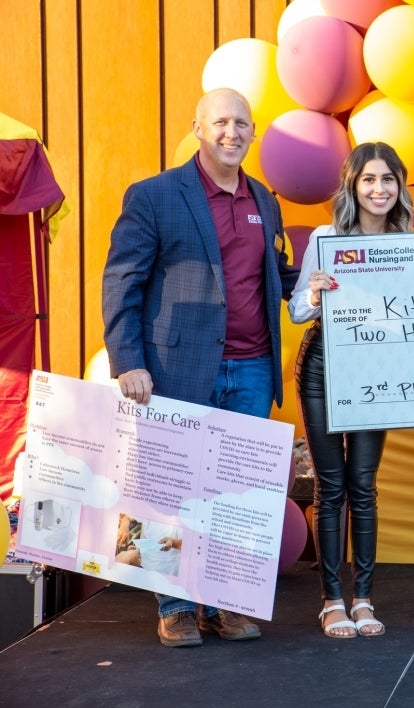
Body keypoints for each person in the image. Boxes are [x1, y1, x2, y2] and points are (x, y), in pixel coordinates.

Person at [102, 87, 300, 648]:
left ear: (253, 133)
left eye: (241, 123)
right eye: (220, 122)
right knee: (175, 491)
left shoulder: (264, 199)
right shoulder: (154, 196)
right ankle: (177, 607)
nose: (231, 132)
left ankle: (225, 605)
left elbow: (273, 274)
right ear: (197, 128)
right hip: (176, 370)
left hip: (253, 367)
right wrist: (129, 362)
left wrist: (314, 283)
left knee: (236, 495)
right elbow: (122, 281)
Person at [289, 142, 413, 639]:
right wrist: (315, 292)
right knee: (330, 485)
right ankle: (331, 600)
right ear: (352, 185)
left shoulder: (409, 241)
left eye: (388, 179)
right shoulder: (326, 236)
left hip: (375, 371)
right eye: (369, 179)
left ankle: (363, 598)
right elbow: (298, 310)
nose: (379, 189)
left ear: (400, 187)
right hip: (322, 366)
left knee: (364, 485)